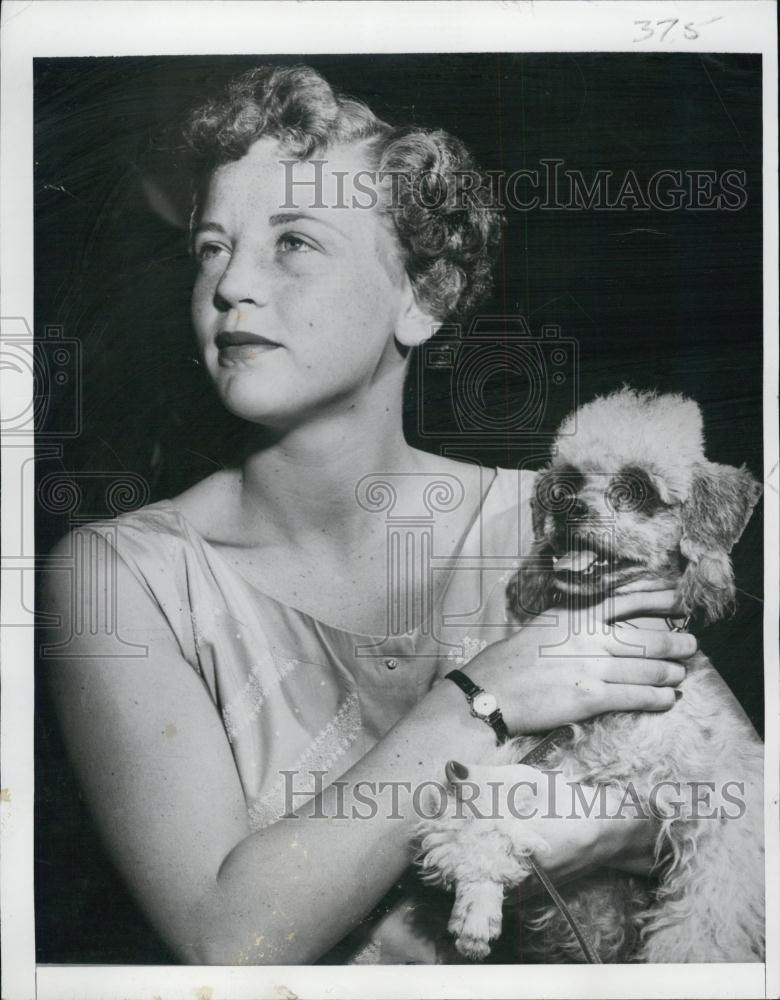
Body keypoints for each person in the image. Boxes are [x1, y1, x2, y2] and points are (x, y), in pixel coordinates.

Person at [39, 64, 697, 966]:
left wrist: (612, 834)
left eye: (294, 242)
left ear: (422, 296)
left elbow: (737, 819)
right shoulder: (123, 573)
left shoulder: (557, 520)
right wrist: (483, 700)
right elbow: (226, 943)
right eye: (210, 248)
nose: (231, 286)